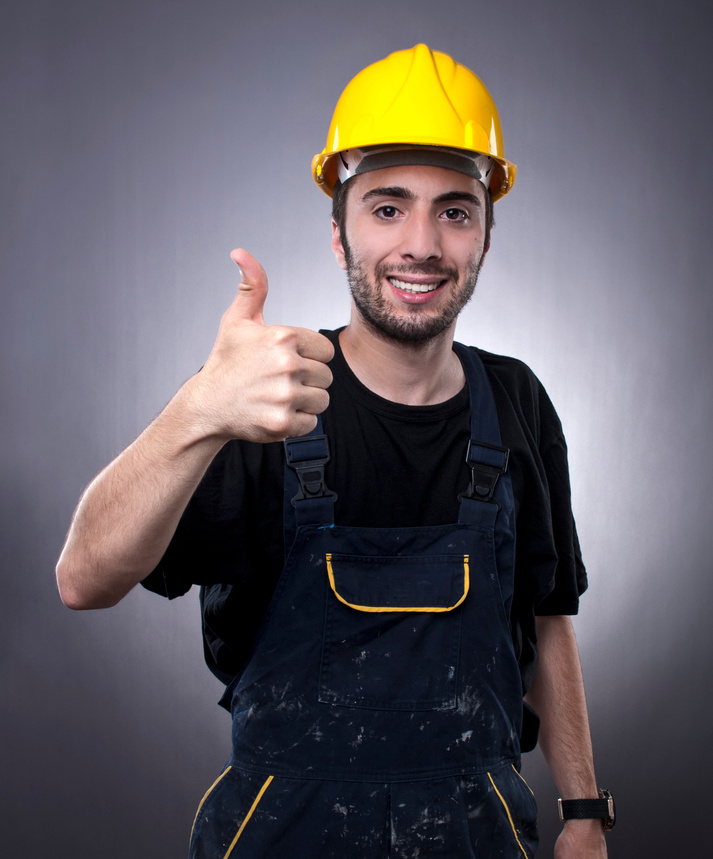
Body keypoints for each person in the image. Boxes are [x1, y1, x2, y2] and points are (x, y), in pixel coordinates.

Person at [56, 44, 613, 858]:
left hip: (478, 830)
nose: (421, 243)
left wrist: (584, 808)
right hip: (282, 832)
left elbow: (547, 611)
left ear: (485, 236)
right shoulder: (261, 396)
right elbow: (82, 580)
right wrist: (196, 412)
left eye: (454, 210)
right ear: (338, 232)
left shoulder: (517, 401)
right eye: (387, 208)